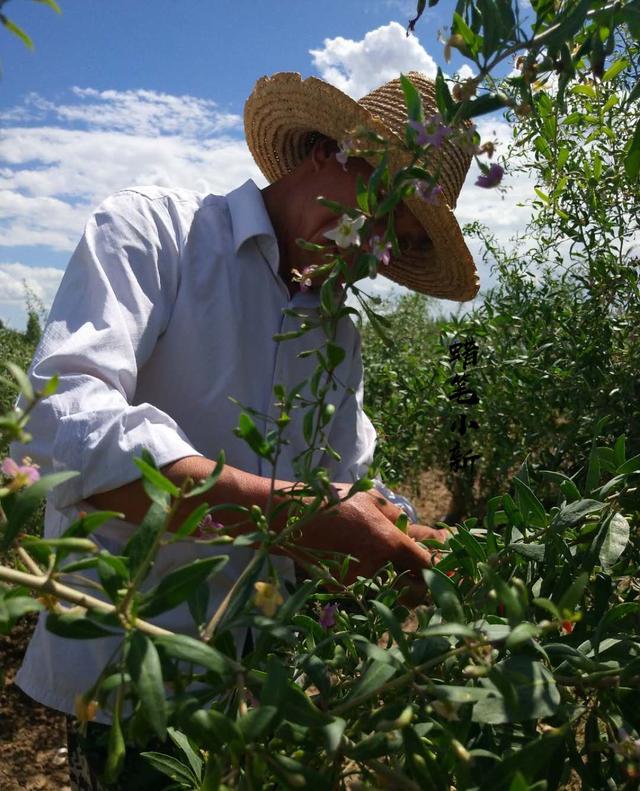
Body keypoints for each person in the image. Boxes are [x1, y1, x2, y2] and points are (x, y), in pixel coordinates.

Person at [10, 70, 478, 785]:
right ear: (329, 150)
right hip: (130, 683)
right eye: (380, 210)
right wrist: (294, 517)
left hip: (259, 693)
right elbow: (59, 428)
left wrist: (398, 532)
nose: (372, 246)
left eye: (396, 238)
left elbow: (344, 476)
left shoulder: (336, 330)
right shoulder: (155, 232)